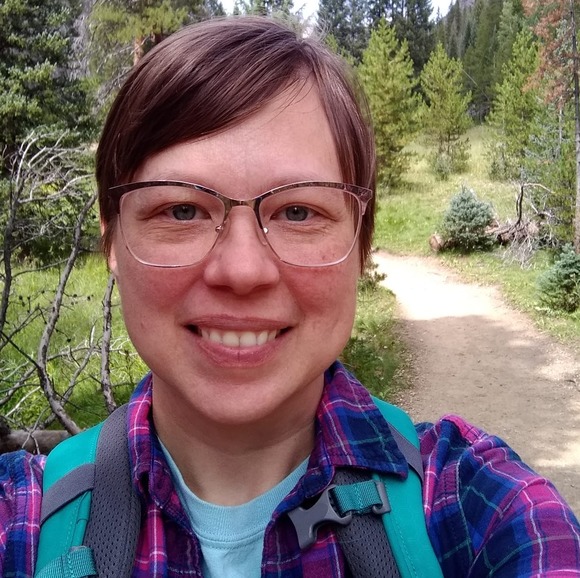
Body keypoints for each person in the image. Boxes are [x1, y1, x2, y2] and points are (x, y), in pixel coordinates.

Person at [1, 15, 579, 577]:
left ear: (361, 242)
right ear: (112, 241)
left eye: (299, 211)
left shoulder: (478, 506)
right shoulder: (19, 523)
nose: (243, 271)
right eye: (181, 210)